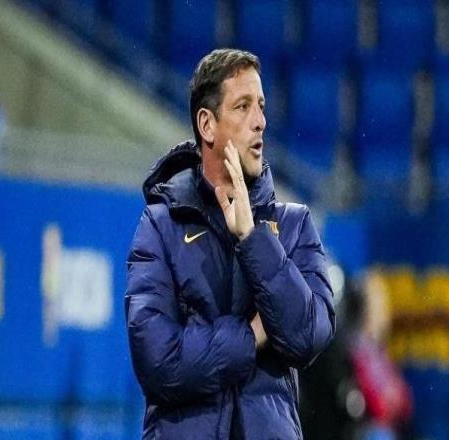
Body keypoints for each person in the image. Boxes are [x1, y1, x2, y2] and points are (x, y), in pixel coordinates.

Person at [125, 48, 336, 440]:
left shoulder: (294, 226)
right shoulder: (160, 227)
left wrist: (253, 238)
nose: (260, 122)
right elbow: (160, 363)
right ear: (207, 125)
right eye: (243, 107)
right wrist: (252, 336)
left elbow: (307, 336)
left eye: (262, 106)